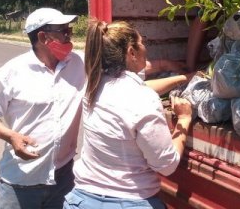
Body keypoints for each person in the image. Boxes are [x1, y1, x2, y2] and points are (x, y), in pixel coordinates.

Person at [64, 20, 193, 209]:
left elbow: (136, 91)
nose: (145, 48)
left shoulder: (94, 86)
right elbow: (166, 165)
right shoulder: (142, 98)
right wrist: (184, 118)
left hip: (82, 199)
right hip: (128, 202)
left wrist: (182, 78)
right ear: (131, 53)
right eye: (142, 43)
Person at [0, 7, 86, 209]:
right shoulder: (12, 72)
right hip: (20, 183)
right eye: (63, 31)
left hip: (63, 180)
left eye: (69, 29)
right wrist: (11, 136)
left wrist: (161, 67)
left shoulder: (78, 63)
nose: (69, 35)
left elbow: (118, 67)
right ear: (43, 37)